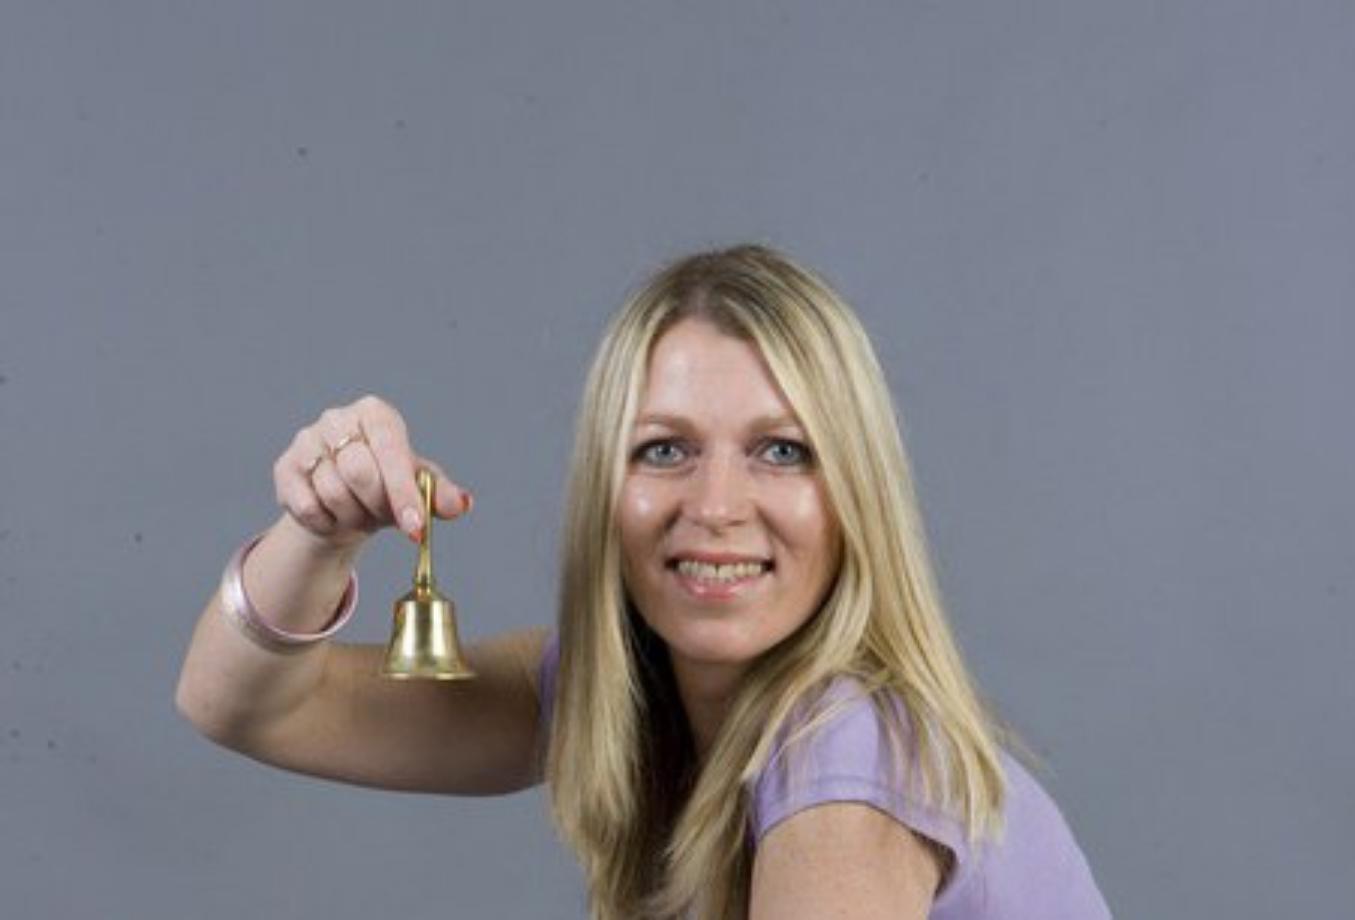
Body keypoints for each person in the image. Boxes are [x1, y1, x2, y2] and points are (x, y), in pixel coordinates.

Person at [176, 244, 1112, 919]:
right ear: (605, 492)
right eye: (665, 449)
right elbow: (240, 705)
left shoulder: (845, 759)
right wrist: (320, 531)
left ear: (855, 496)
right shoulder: (618, 695)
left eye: (782, 452)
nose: (717, 505)